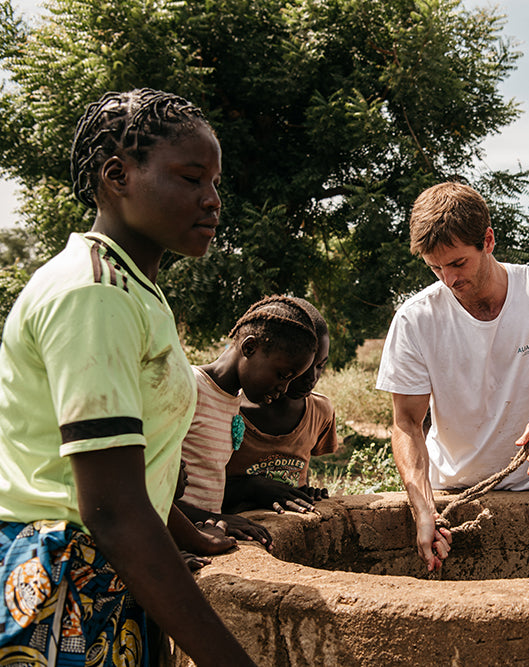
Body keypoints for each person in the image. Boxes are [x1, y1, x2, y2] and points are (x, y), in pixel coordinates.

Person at [0, 89, 255, 665]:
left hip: (107, 577)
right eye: (191, 178)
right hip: (62, 588)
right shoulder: (95, 294)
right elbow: (111, 507)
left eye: (215, 183)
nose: (212, 201)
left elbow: (130, 460)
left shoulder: (133, 290)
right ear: (118, 175)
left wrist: (186, 534)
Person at [376, 182, 529, 572]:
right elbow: (406, 423)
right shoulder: (416, 319)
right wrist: (422, 506)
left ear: (487, 240)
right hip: (453, 489)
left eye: (457, 264)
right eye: (435, 267)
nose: (448, 280)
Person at [175, 295, 319, 533]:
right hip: (176, 534)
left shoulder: (231, 400)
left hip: (200, 531)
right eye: (282, 375)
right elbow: (150, 488)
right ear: (250, 347)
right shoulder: (190, 387)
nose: (284, 389)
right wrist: (211, 518)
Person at [224, 297, 337, 514]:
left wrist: (302, 492)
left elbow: (299, 471)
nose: (312, 377)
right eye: (303, 367)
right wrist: (251, 488)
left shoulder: (320, 412)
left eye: (321, 366)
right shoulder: (228, 409)